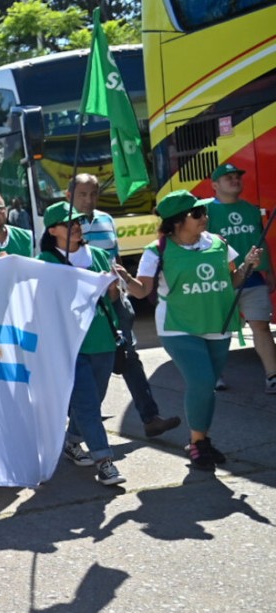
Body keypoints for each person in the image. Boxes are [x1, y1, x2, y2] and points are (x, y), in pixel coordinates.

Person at [125, 190, 260, 471]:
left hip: (218, 323)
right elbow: (141, 291)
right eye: (197, 213)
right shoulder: (156, 250)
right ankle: (198, 443)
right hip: (178, 326)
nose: (204, 217)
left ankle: (201, 440)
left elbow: (233, 281)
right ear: (177, 221)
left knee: (207, 386)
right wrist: (124, 278)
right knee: (201, 381)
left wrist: (247, 266)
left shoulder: (219, 243)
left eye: (204, 212)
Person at [71, 174, 181, 437]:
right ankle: (80, 424)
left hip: (115, 301)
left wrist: (122, 288)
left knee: (129, 356)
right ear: (69, 196)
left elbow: (115, 258)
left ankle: (150, 417)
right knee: (90, 362)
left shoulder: (106, 219)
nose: (88, 199)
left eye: (93, 194)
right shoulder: (64, 226)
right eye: (82, 194)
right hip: (82, 307)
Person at [37, 202, 126, 486]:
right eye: (68, 223)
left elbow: (112, 298)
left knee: (93, 399)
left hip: (102, 338)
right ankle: (104, 461)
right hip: (68, 345)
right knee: (87, 404)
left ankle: (72, 441)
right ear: (53, 230)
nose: (75, 226)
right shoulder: (45, 262)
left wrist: (113, 287)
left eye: (77, 221)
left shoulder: (98, 255)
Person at [208, 162, 276, 393]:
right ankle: (214, 375)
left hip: (253, 278)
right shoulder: (205, 211)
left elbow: (261, 241)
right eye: (228, 178)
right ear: (215, 185)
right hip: (220, 280)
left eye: (237, 176)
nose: (235, 180)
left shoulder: (250, 209)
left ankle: (272, 376)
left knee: (261, 325)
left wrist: (270, 271)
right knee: (218, 330)